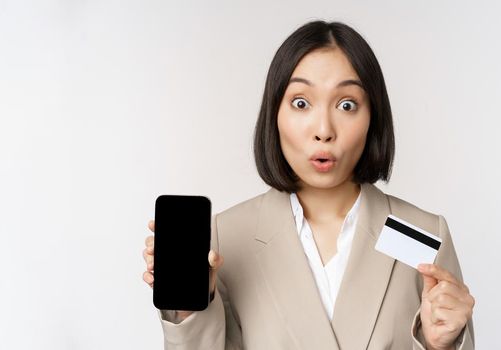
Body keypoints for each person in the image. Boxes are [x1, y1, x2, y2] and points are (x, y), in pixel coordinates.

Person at [141, 21, 475, 349]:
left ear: (373, 116)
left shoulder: (423, 236)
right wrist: (188, 311)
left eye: (347, 105)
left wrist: (440, 345)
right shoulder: (227, 238)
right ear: (274, 113)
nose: (324, 129)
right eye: (301, 103)